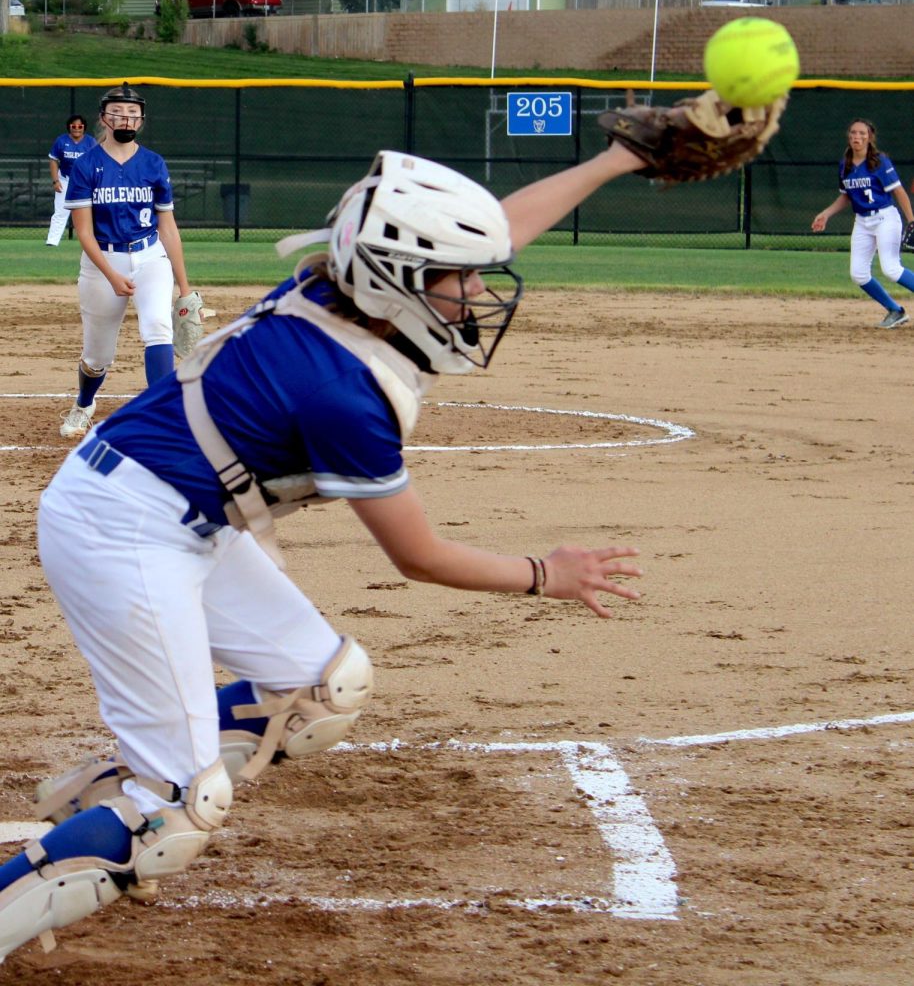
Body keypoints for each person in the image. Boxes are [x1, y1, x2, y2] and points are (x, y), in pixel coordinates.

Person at [0, 141, 652, 964]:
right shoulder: (344, 395)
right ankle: (126, 810)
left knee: (322, 684)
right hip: (123, 530)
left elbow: (497, 231)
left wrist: (617, 159)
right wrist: (544, 576)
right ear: (398, 282)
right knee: (175, 813)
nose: (479, 292)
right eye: (460, 281)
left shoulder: (329, 290)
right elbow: (418, 555)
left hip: (167, 512)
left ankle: (88, 804)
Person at [58, 82, 198, 439]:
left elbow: (168, 229)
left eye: (133, 114)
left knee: (158, 328)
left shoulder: (153, 163)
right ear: (103, 118)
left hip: (150, 256)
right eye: (118, 112)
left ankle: (165, 419)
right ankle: (84, 403)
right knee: (97, 355)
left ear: (141, 121)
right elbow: (84, 233)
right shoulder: (86, 166)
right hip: (102, 261)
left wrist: (185, 288)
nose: (126, 118)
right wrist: (112, 276)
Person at [811, 117, 914, 328]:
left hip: (885, 217)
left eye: (861, 133)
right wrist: (826, 214)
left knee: (891, 269)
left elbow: (899, 191)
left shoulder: (879, 161)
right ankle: (895, 311)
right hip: (863, 222)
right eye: (853, 133)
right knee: (858, 274)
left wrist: (912, 221)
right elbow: (846, 196)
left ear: (870, 137)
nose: (857, 136)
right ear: (849, 137)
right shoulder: (845, 165)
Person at [45, 114, 97, 247]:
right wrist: (56, 181)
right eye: (74, 126)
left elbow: (96, 162)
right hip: (65, 179)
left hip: (84, 182)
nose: (77, 129)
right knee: (61, 211)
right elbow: (53, 160)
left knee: (91, 211)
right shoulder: (61, 141)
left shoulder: (91, 142)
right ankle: (52, 241)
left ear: (84, 127)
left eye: (80, 126)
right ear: (69, 127)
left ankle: (94, 240)